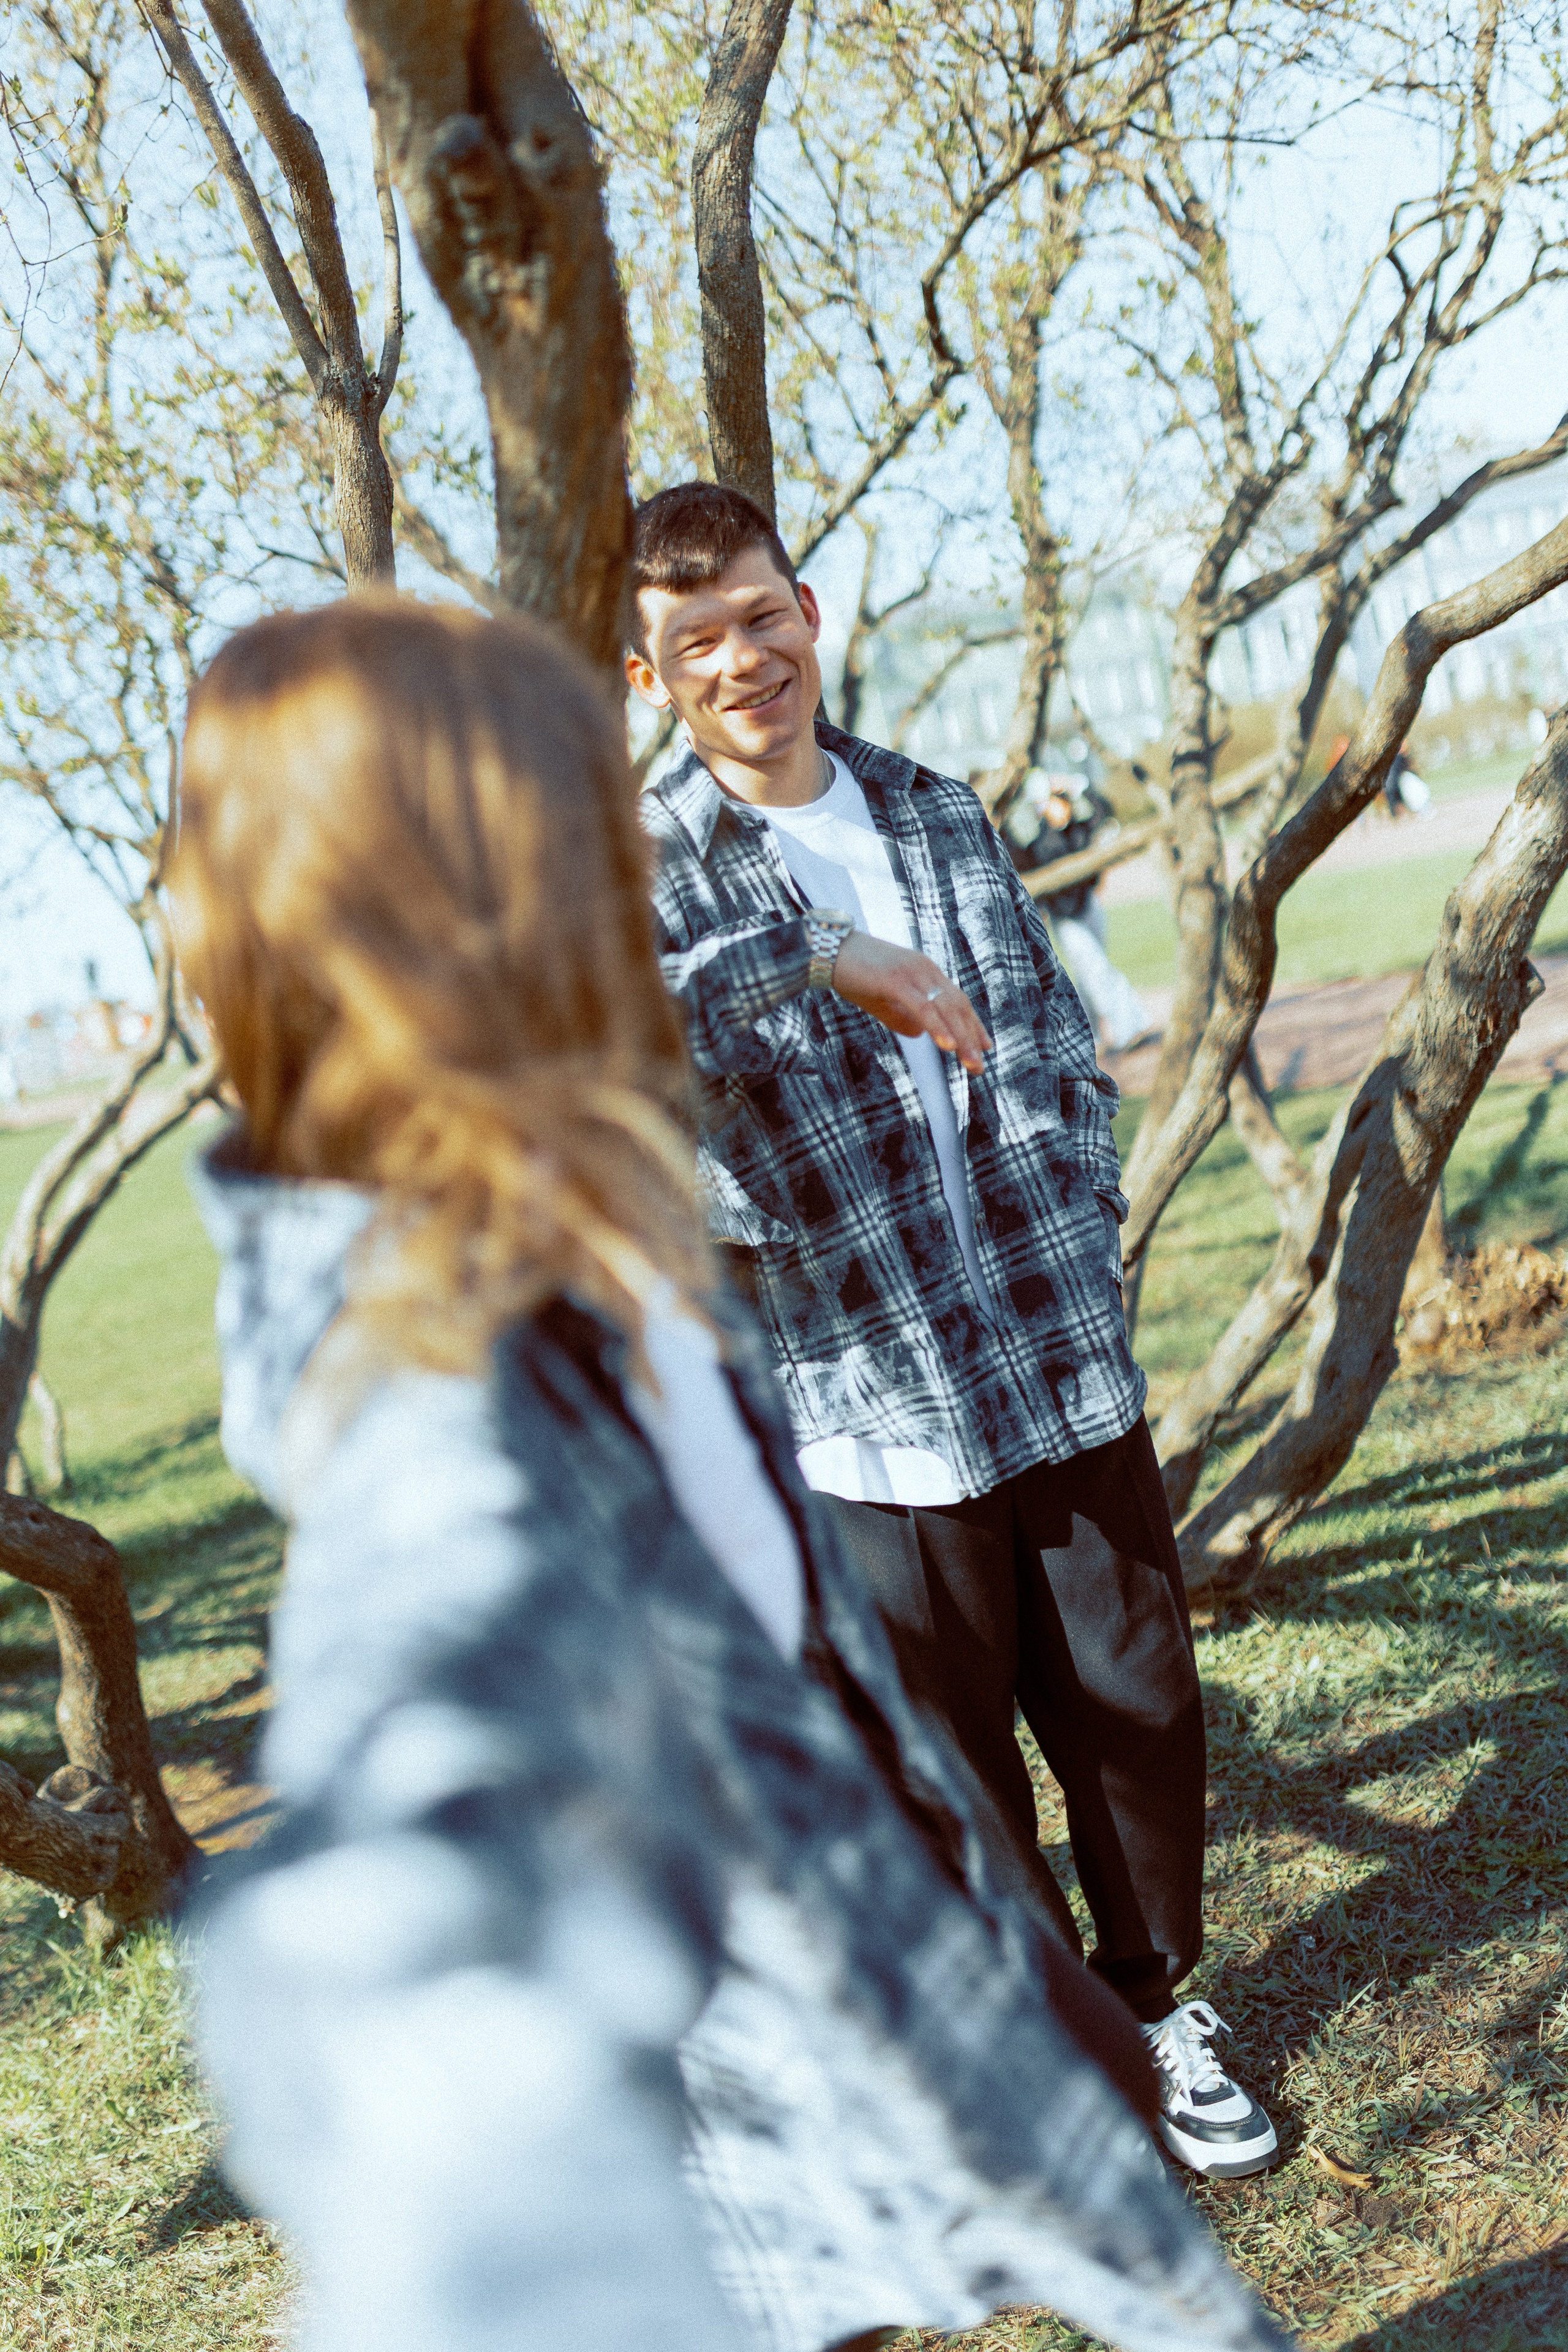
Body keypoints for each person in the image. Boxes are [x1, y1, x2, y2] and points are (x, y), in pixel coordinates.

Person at [171, 595, 1294, 2352]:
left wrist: (1028, 1978)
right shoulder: (436, 1380)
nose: (613, 877)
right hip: (737, 2153)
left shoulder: (566, 1228)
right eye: (554, 837)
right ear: (424, 909)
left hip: (905, 2010)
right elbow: (397, 1927)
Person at [630, 481, 1278, 2181]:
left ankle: (1154, 2009)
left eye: (760, 616)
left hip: (1053, 1360)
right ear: (649, 677)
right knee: (956, 1769)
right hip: (862, 1408)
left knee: (1139, 1709)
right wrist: (829, 952)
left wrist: (1076, 1222)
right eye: (693, 640)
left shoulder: (936, 807)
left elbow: (1051, 1044)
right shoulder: (642, 878)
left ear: (810, 613)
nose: (739, 659)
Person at [1002, 770, 1155, 1054]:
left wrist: (1074, 786)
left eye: (1063, 799)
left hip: (1088, 903)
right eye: (1053, 800)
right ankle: (1129, 1028)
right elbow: (1016, 858)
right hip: (1063, 914)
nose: (1061, 806)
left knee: (1088, 973)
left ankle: (1091, 1036)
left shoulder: (1078, 821)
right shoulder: (1031, 833)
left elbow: (1104, 810)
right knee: (1095, 969)